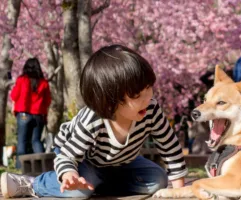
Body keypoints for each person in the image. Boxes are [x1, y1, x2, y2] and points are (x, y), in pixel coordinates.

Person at [1, 45, 187, 198]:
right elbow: (68, 157)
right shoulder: (94, 119)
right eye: (138, 95)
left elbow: (169, 146)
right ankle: (33, 183)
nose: (148, 98)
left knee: (158, 180)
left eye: (149, 88)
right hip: (79, 157)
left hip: (118, 161)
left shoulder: (150, 109)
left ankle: (97, 183)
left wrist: (179, 190)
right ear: (111, 101)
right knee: (77, 192)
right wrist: (70, 175)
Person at [10, 58, 51, 169]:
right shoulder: (44, 83)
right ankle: (43, 167)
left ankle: (20, 168)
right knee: (36, 141)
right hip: (38, 115)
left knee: (22, 141)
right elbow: (48, 101)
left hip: (23, 114)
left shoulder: (22, 80)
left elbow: (14, 95)